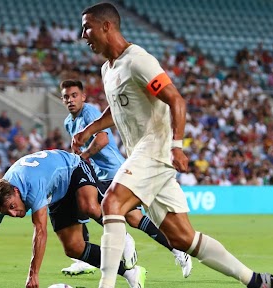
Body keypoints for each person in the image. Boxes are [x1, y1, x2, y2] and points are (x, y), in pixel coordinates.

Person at [74, 3, 273, 288]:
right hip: (142, 154)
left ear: (106, 26)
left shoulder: (138, 60)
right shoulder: (108, 70)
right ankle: (254, 280)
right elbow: (117, 108)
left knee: (111, 203)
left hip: (155, 148)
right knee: (182, 238)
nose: (83, 34)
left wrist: (177, 146)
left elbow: (176, 99)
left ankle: (106, 285)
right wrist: (89, 129)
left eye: (87, 27)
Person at [0, 150, 146, 288]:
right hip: (56, 190)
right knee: (74, 247)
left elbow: (40, 231)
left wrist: (33, 274)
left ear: (15, 191)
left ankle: (124, 237)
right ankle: (130, 273)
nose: (14, 214)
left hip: (73, 167)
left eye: (13, 207)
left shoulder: (31, 186)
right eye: (8, 212)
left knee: (89, 206)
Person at [60, 79, 192, 278]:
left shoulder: (89, 112)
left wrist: (83, 156)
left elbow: (102, 139)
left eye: (74, 95)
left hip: (113, 171)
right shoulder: (69, 122)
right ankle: (177, 249)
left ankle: (101, 250)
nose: (70, 100)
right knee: (135, 218)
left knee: (81, 200)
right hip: (99, 174)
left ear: (83, 97)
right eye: (66, 97)